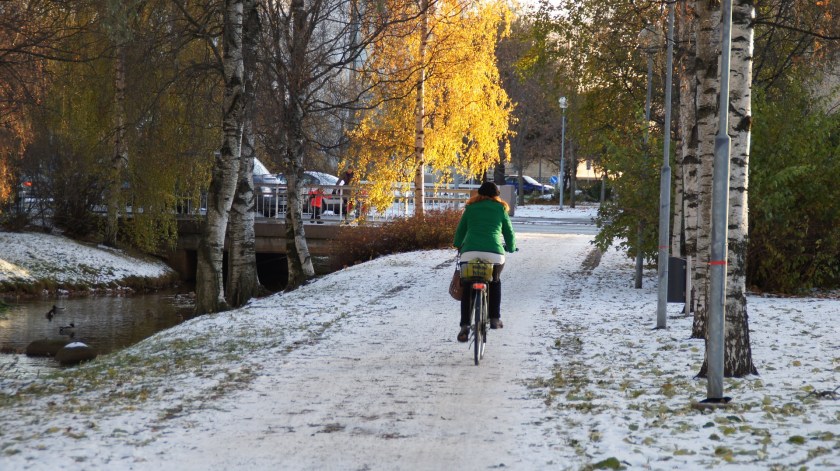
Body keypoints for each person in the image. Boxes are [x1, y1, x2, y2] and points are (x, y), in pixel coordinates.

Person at [452, 181, 516, 342]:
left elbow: (460, 231)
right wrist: (511, 247)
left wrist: (457, 244)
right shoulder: (501, 209)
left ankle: (465, 326)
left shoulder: (471, 208)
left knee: (467, 287)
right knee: (495, 281)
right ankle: (494, 318)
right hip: (494, 254)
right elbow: (509, 232)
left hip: (470, 253)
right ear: (496, 195)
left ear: (479, 194)